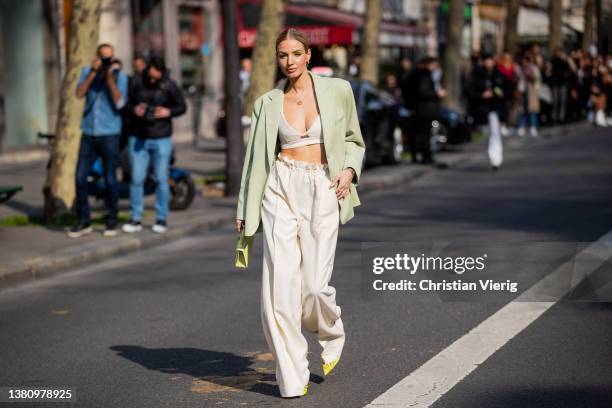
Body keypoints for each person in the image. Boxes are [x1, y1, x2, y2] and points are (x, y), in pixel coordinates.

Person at [235, 28, 365, 398]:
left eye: (295, 53)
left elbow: (355, 141)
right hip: (280, 188)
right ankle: (292, 375)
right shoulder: (267, 102)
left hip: (323, 188)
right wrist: (245, 207)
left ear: (309, 54)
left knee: (314, 287)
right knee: (279, 289)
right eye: (282, 55)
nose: (289, 61)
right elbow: (253, 161)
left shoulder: (338, 90)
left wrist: (348, 170)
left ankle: (330, 329)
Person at [68, 43, 128, 238]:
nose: (104, 61)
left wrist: (109, 78)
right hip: (89, 132)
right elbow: (78, 93)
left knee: (110, 178)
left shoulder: (120, 76)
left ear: (113, 59)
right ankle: (84, 221)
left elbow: (120, 102)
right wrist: (93, 74)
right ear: (96, 57)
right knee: (79, 177)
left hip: (110, 133)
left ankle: (112, 221)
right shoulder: (87, 72)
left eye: (108, 58)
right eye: (102, 57)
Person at [122, 56, 186, 234]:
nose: (153, 78)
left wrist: (168, 111)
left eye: (157, 75)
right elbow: (124, 104)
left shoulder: (169, 85)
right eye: (151, 74)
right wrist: (135, 109)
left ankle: (161, 218)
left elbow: (182, 106)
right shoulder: (136, 81)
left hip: (161, 137)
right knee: (136, 178)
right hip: (138, 136)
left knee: (161, 179)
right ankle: (135, 218)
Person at [469, 54, 510, 171]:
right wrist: (482, 95)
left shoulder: (499, 74)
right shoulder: (477, 75)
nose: (489, 63)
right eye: (487, 61)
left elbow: (508, 88)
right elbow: (471, 91)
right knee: (488, 133)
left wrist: (500, 93)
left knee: (495, 131)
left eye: (490, 61)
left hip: (495, 107)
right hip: (482, 108)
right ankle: (493, 155)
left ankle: (495, 157)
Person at [413, 57, 446, 165]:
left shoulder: (423, 75)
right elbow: (423, 92)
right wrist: (437, 94)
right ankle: (426, 156)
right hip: (425, 109)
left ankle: (424, 155)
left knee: (424, 133)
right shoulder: (425, 76)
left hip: (424, 109)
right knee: (425, 134)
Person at [516, 54, 541, 137]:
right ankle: (521, 127)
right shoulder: (519, 69)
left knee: (532, 110)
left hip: (531, 92)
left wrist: (530, 75)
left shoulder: (533, 68)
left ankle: (533, 127)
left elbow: (536, 80)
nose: (524, 63)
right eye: (523, 61)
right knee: (522, 110)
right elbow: (517, 80)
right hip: (522, 91)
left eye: (525, 61)